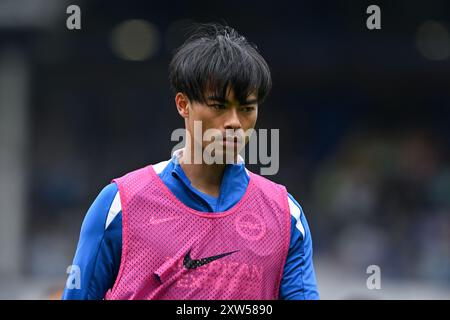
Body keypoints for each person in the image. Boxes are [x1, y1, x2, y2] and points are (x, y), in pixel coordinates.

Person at [62, 23, 319, 300]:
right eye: (219, 106)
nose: (234, 122)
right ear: (183, 104)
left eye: (246, 108)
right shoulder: (120, 205)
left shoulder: (285, 216)